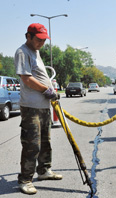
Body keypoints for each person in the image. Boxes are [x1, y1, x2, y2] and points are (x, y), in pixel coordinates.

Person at [15, 23, 61, 195]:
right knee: (31, 144)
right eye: (39, 39)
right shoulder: (22, 52)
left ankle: (43, 170)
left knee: (45, 142)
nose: (42, 42)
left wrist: (50, 91)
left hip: (43, 106)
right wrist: (46, 90)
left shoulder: (36, 52)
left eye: (44, 40)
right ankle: (26, 179)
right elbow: (26, 78)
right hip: (31, 107)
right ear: (28, 36)